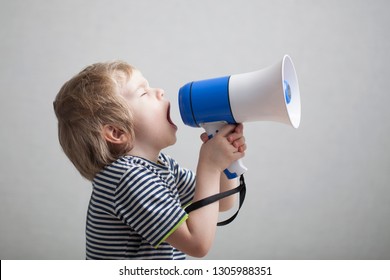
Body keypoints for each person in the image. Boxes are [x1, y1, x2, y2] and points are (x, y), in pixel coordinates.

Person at [53, 61, 247, 259]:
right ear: (117, 132)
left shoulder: (160, 165)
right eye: (143, 93)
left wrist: (223, 160)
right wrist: (210, 166)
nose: (160, 91)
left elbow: (222, 201)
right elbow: (197, 244)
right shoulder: (127, 177)